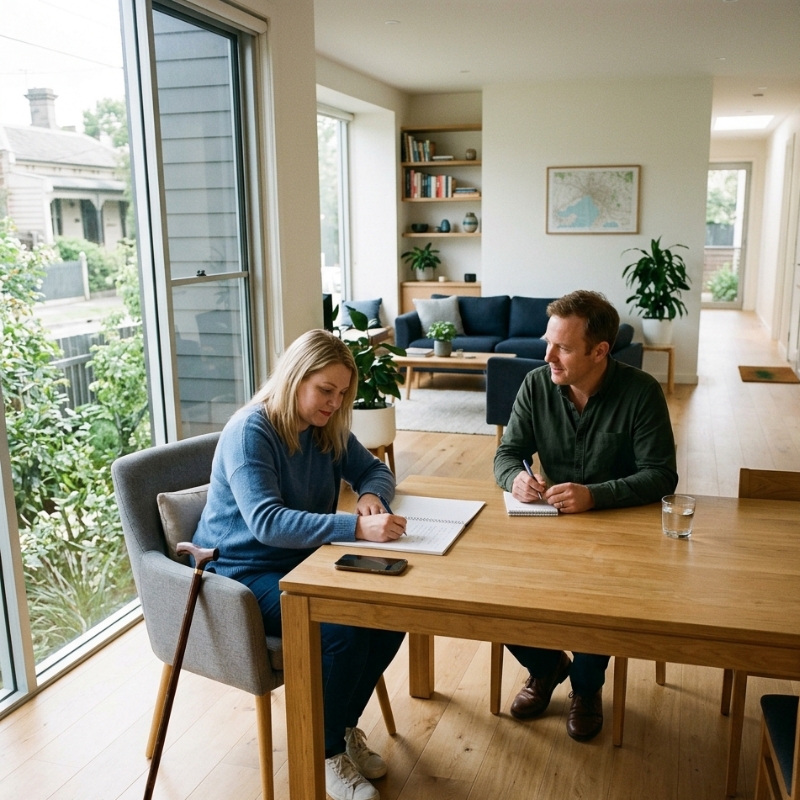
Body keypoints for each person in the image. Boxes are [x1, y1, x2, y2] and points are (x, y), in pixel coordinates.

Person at [193, 329, 407, 800]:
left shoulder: (325, 427)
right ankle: (324, 751)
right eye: (325, 390)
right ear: (294, 378)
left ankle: (340, 728)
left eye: (342, 393)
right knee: (343, 630)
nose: (335, 403)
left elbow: (374, 469)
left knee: (392, 615)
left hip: (304, 562)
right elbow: (267, 522)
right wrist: (355, 528)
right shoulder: (251, 432)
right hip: (241, 573)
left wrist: (370, 495)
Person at [494, 290, 678, 742]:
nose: (547, 356)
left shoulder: (641, 391)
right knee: (495, 591)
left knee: (604, 603)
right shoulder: (536, 384)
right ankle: (545, 666)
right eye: (548, 342)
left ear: (600, 351)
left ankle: (586, 686)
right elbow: (507, 454)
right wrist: (515, 480)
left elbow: (661, 475)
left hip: (619, 532)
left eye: (563, 348)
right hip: (549, 527)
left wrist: (595, 496)